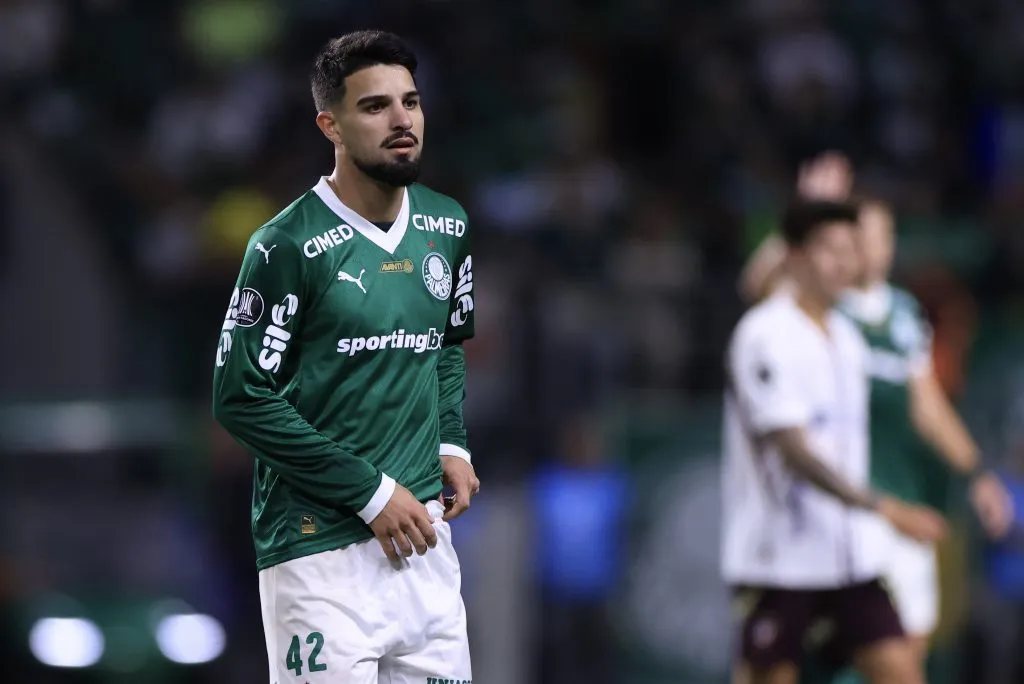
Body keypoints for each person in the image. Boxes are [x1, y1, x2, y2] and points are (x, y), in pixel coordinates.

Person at [211, 30, 479, 684]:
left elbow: (444, 345)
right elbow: (241, 397)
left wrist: (452, 441)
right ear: (330, 125)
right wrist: (368, 491)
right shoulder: (286, 246)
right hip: (317, 550)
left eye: (410, 103)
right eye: (375, 106)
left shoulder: (447, 226)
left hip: (422, 544)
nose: (401, 121)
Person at [739, 154, 1013, 677]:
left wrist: (976, 472)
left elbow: (927, 405)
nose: (877, 247)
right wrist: (804, 214)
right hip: (830, 521)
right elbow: (756, 288)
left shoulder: (904, 314)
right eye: (863, 234)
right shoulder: (819, 308)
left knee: (905, 660)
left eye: (886, 234)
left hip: (899, 513)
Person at [722, 198, 947, 684]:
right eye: (829, 250)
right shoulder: (766, 334)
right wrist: (887, 509)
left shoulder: (845, 338)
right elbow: (794, 451)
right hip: (780, 561)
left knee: (903, 672)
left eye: (851, 250)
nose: (844, 262)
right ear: (797, 256)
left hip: (851, 558)